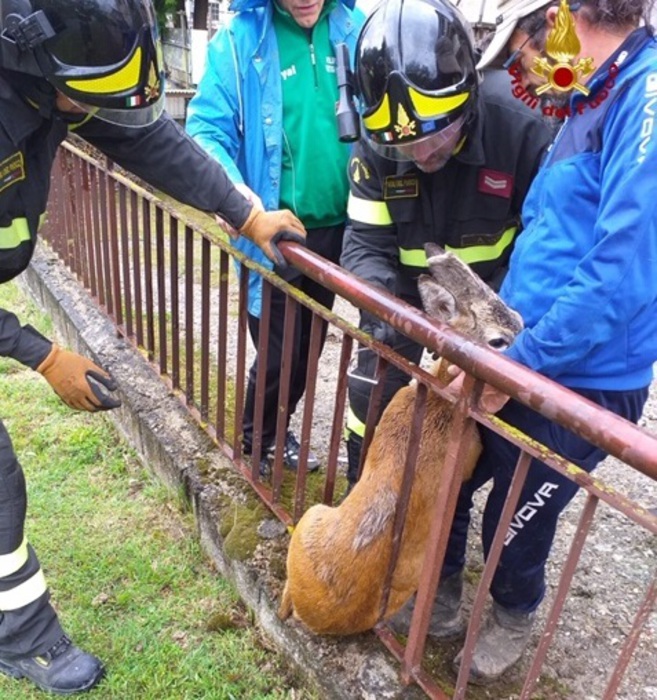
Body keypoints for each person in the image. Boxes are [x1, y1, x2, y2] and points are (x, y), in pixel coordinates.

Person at [0, 0, 306, 694]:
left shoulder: (60, 77)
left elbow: (145, 140)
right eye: (79, 101)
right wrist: (43, 355)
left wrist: (244, 211)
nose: (85, 116)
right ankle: (22, 636)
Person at [436, 0, 657, 683]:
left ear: (566, 17)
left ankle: (512, 609)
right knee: (449, 469)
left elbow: (618, 268)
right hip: (525, 347)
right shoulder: (588, 95)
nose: (528, 68)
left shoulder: (643, 98)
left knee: (519, 506)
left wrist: (519, 366)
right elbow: (549, 234)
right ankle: (439, 581)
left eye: (530, 49)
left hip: (587, 369)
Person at [341, 0, 551, 498]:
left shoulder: (522, 130)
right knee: (369, 401)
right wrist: (388, 314)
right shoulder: (375, 140)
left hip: (493, 321)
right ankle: (360, 490)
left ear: (467, 99)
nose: (421, 153)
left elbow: (538, 253)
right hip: (403, 309)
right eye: (403, 146)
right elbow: (364, 244)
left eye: (439, 137)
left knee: (473, 441)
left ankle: (443, 541)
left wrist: (483, 332)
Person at [186, 0, 364, 476]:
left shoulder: (357, 27)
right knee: (279, 353)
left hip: (338, 227)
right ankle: (254, 440)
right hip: (274, 230)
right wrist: (233, 193)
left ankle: (272, 432)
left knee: (309, 351)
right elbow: (204, 128)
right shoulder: (241, 39)